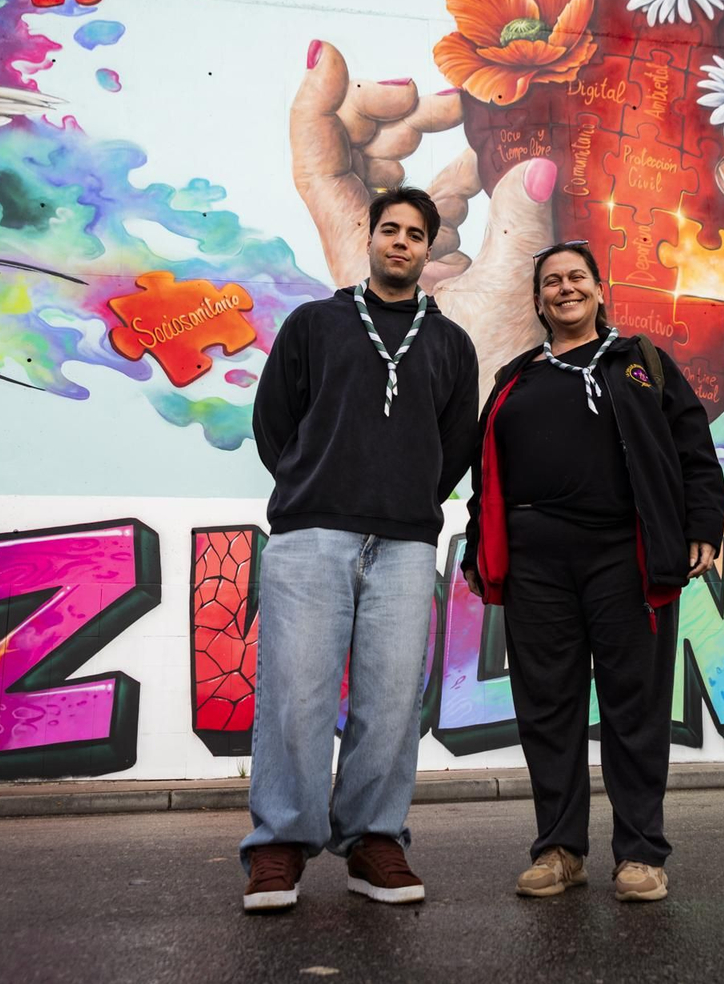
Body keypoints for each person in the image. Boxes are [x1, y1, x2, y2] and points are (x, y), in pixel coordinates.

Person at [462, 241, 724, 903]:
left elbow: (695, 451)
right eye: (551, 281)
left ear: (599, 290)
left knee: (634, 709)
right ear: (539, 299)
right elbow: (485, 478)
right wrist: (477, 548)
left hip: (624, 558)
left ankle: (640, 855)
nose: (564, 288)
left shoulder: (643, 364)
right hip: (535, 566)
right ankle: (559, 850)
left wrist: (702, 528)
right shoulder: (515, 377)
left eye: (576, 276)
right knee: (547, 710)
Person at [241, 186, 479, 913]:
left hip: (405, 543)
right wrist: (321, 487)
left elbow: (454, 447)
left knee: (391, 700)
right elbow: (275, 424)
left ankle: (374, 839)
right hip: (313, 533)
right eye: (390, 229)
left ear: (430, 250)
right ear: (370, 238)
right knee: (297, 693)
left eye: (415, 234)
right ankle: (280, 843)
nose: (401, 242)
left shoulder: (450, 343)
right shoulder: (315, 323)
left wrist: (404, 499)